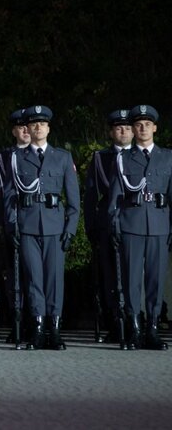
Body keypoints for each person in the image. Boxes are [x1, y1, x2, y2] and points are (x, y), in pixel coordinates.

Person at [3, 106, 80, 350]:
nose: (37, 128)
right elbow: (9, 195)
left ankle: (54, 328)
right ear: (27, 128)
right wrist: (12, 225)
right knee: (34, 279)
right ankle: (37, 327)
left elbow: (73, 198)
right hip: (27, 226)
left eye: (42, 124)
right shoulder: (16, 157)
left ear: (48, 128)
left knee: (54, 280)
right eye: (33, 124)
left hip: (55, 227)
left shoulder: (62, 157)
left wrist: (70, 229)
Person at [108, 105, 170, 350]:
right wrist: (114, 225)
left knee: (155, 280)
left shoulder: (168, 157)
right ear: (133, 129)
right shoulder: (123, 158)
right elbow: (114, 197)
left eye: (147, 124)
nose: (143, 128)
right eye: (138, 124)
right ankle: (134, 329)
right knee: (132, 280)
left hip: (159, 225)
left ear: (155, 127)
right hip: (131, 224)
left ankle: (153, 329)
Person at [83, 109, 133, 343]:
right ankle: (114, 323)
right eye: (118, 128)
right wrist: (91, 227)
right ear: (111, 131)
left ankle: (136, 321)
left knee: (135, 274)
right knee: (110, 276)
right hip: (106, 223)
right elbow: (91, 195)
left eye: (126, 127)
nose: (122, 131)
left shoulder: (140, 156)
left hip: (135, 223)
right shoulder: (100, 158)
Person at [0, 109, 31, 342]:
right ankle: (18, 320)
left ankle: (35, 320)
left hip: (37, 224)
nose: (25, 130)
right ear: (14, 130)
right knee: (13, 276)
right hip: (12, 224)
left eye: (28, 125)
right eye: (20, 126)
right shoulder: (3, 157)